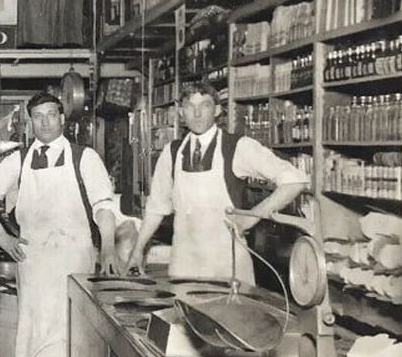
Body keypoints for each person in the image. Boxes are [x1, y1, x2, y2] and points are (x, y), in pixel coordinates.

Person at [0, 91, 136, 357]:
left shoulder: (84, 158)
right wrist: (2, 237)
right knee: (37, 338)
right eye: (38, 116)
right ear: (30, 122)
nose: (45, 122)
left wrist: (107, 246)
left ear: (64, 119)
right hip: (34, 266)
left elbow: (103, 206)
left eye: (51, 115)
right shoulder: (17, 160)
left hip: (74, 264)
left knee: (68, 338)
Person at [124, 81, 309, 284]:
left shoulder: (238, 147)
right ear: (180, 112)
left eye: (205, 105)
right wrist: (137, 250)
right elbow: (156, 207)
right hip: (183, 266)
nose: (197, 113)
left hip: (228, 267)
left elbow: (295, 180)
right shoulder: (172, 152)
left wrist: (252, 216)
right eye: (189, 106)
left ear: (217, 110)